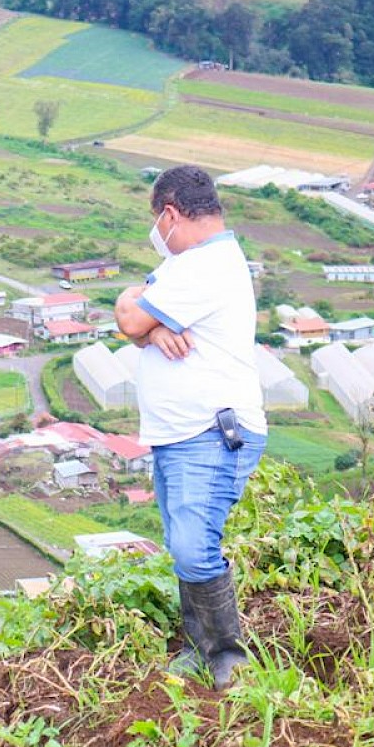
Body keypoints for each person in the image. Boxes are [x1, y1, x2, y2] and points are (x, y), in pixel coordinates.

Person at [113, 165, 267, 690]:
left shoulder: (204, 266)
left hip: (210, 431)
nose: (156, 231)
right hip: (181, 433)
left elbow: (131, 318)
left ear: (171, 214)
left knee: (193, 546)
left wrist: (139, 316)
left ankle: (227, 656)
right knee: (184, 539)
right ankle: (201, 648)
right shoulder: (195, 264)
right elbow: (138, 321)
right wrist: (153, 330)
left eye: (157, 219)